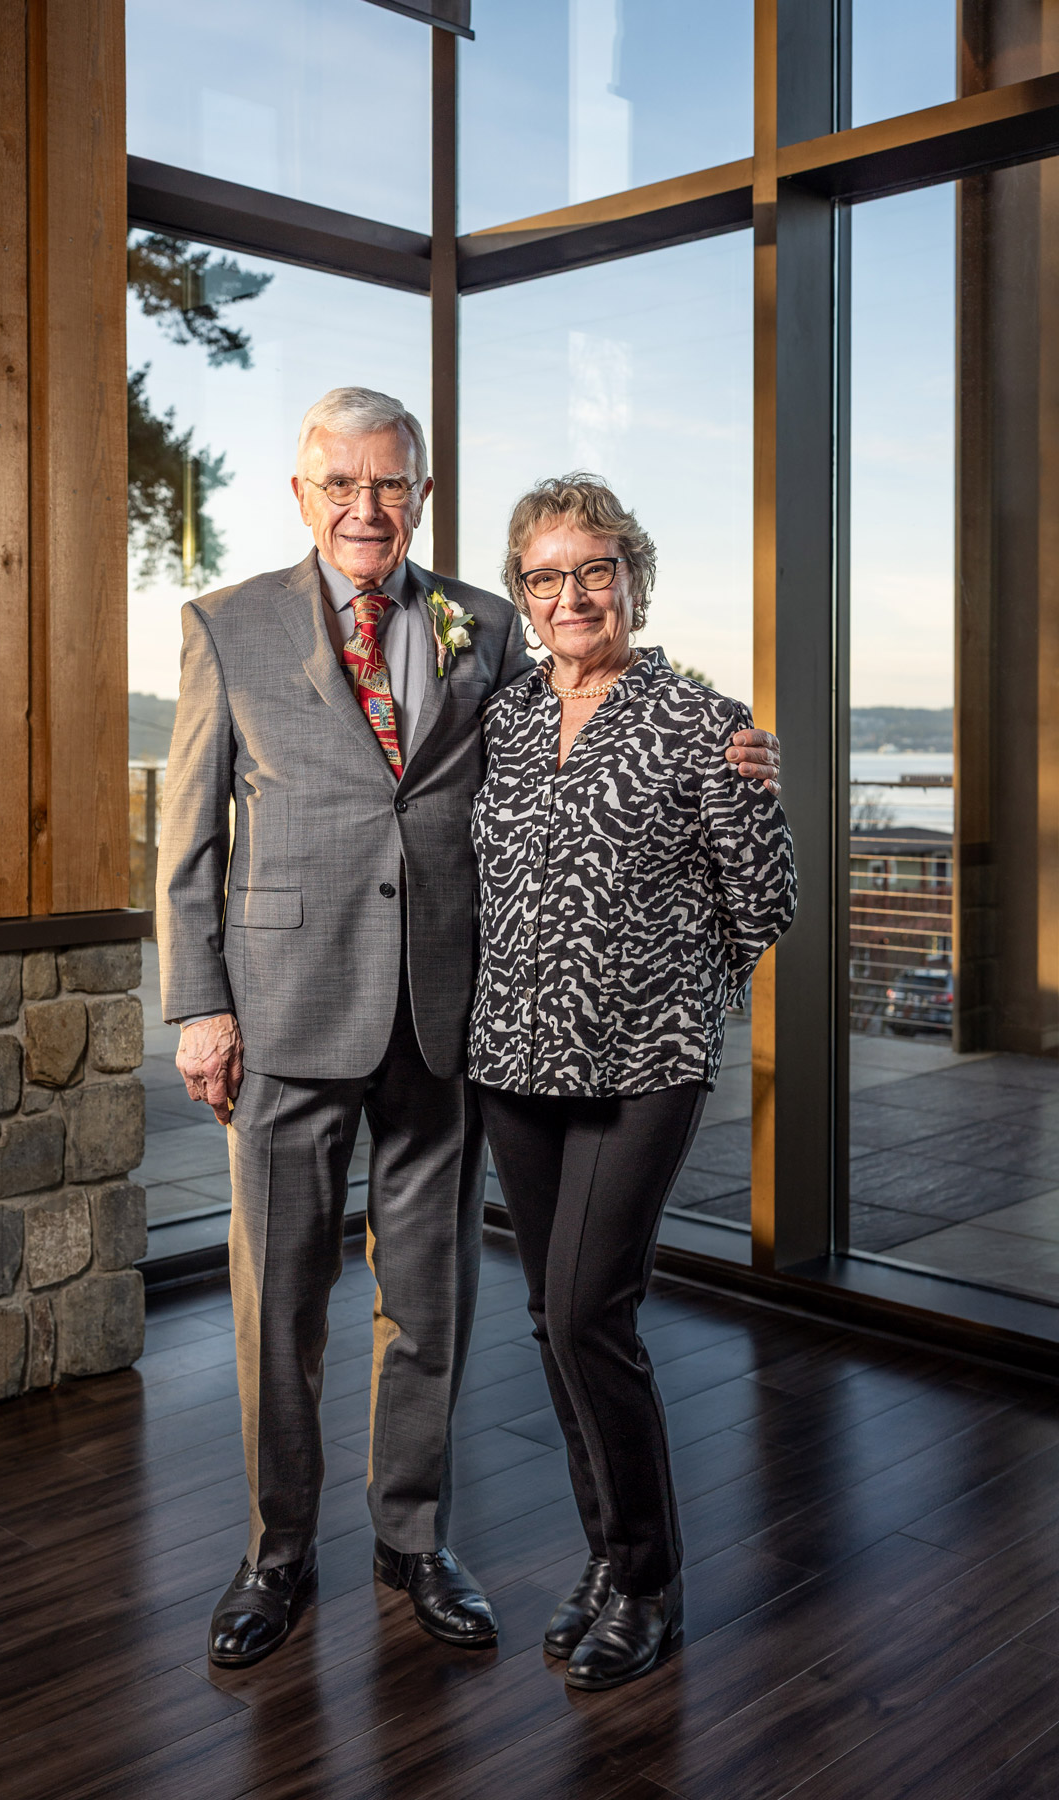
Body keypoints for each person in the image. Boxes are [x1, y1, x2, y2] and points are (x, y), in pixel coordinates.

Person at [156, 393, 782, 1671]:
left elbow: (586, 744)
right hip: (285, 1014)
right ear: (300, 494)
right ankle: (278, 1549)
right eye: (339, 484)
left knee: (431, 1303)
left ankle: (412, 1537)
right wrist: (200, 1003)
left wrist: (742, 763)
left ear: (422, 492)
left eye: (388, 484)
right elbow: (188, 838)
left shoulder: (484, 627)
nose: (365, 508)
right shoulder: (226, 626)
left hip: (451, 1026)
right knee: (280, 1305)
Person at [469, 474, 796, 1692]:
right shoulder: (502, 723)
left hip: (644, 1061)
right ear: (523, 595)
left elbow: (766, 902)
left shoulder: (704, 721)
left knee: (592, 1309)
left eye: (594, 570)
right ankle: (606, 1558)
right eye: (546, 576)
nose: (572, 595)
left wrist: (665, 979)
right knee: (553, 1316)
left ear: (634, 582)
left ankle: (651, 1582)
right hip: (513, 1057)